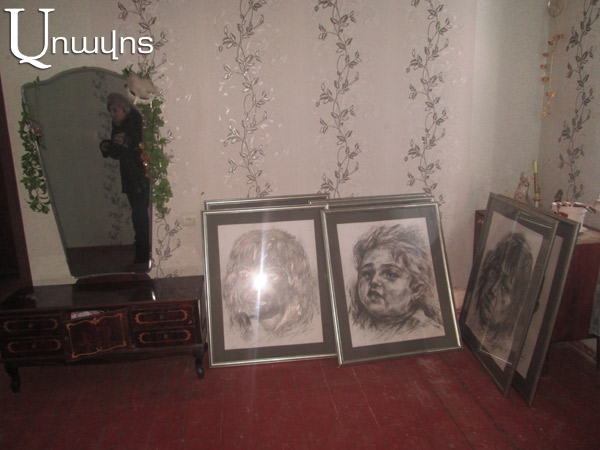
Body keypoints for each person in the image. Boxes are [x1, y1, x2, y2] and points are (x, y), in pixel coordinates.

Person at [348, 223, 443, 341]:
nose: (374, 280)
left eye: (390, 274)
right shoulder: (354, 326)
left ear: (416, 289)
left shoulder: (430, 333)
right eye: (367, 273)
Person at [222, 228, 319, 343]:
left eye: (270, 276)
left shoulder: (310, 330)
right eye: (245, 274)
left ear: (294, 279)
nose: (254, 290)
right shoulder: (232, 328)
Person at [100, 92, 150, 265]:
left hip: (140, 174)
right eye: (110, 110)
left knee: (139, 214)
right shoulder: (118, 125)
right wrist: (107, 146)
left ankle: (143, 251)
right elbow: (118, 153)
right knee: (137, 213)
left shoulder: (135, 122)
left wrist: (128, 142)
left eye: (115, 110)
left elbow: (144, 146)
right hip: (129, 174)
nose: (112, 114)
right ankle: (142, 247)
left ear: (125, 109)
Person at [468, 232, 533, 357]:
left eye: (504, 287)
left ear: (518, 302)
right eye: (494, 275)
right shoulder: (471, 330)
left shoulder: (510, 354)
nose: (493, 289)